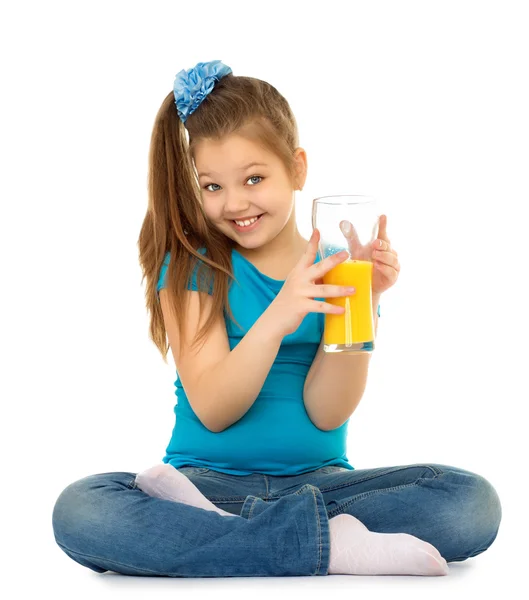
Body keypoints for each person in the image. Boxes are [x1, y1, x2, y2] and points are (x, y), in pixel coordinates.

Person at [51, 60, 502, 578]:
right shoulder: (191, 266)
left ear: (297, 168)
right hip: (201, 484)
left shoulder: (337, 266)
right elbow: (216, 409)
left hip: (323, 486)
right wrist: (278, 315)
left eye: (254, 178)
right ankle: (329, 548)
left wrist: (363, 302)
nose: (235, 203)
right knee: (82, 509)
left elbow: (327, 412)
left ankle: (233, 536)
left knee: (470, 503)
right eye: (212, 187)